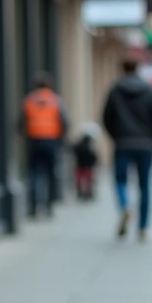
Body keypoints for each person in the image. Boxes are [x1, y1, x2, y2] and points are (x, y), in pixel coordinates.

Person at [102, 56, 152, 241]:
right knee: (145, 186)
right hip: (146, 145)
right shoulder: (149, 91)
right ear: (138, 68)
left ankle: (125, 206)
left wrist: (116, 136)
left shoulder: (115, 90)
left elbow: (106, 118)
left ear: (122, 68)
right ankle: (143, 228)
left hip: (122, 143)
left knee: (120, 180)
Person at [19, 73, 67, 217]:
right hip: (51, 141)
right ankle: (49, 206)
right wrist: (61, 141)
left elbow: (21, 122)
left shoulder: (29, 100)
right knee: (50, 174)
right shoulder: (55, 100)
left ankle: (34, 206)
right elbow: (64, 122)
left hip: (34, 141)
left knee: (34, 174)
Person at [71, 124, 99, 201]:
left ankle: (82, 193)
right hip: (86, 165)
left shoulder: (80, 143)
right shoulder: (88, 144)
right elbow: (93, 155)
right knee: (87, 180)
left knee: (81, 180)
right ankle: (87, 193)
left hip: (80, 164)